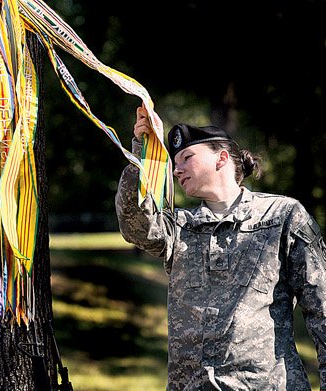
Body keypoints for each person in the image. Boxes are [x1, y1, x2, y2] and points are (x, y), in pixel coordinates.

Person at [115, 106, 326, 390]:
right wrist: (144, 150)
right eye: (175, 162)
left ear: (222, 158)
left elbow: (322, 308)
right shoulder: (179, 227)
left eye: (187, 158)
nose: (177, 169)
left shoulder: (282, 216)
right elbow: (135, 223)